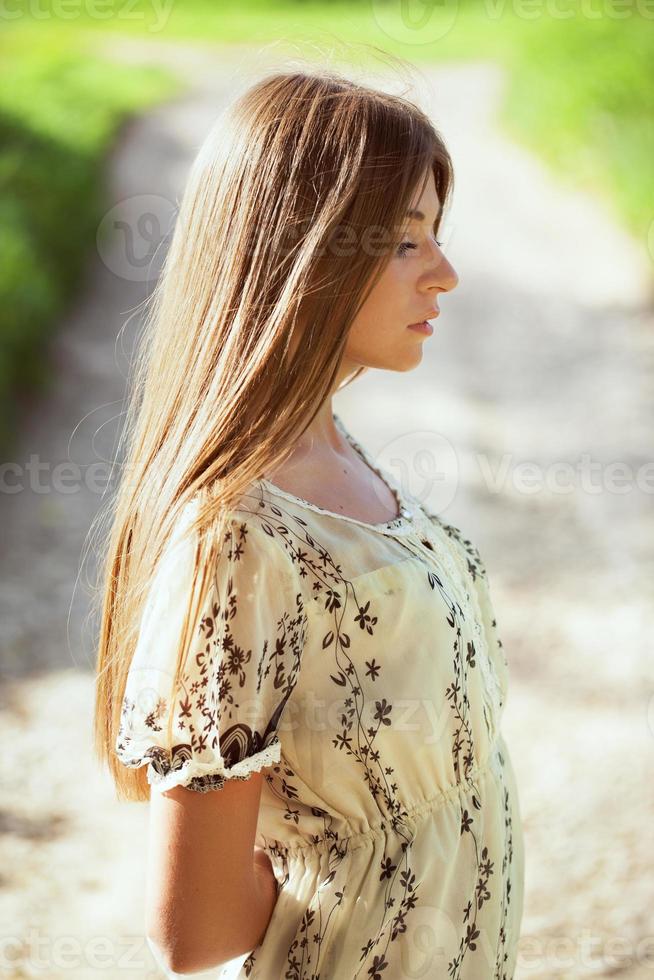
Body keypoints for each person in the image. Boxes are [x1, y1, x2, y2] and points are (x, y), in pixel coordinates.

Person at [93, 68, 525, 979]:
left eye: (433, 235)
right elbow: (195, 931)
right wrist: (346, 866)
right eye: (406, 242)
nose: (445, 273)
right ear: (305, 252)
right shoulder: (236, 537)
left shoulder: (335, 447)